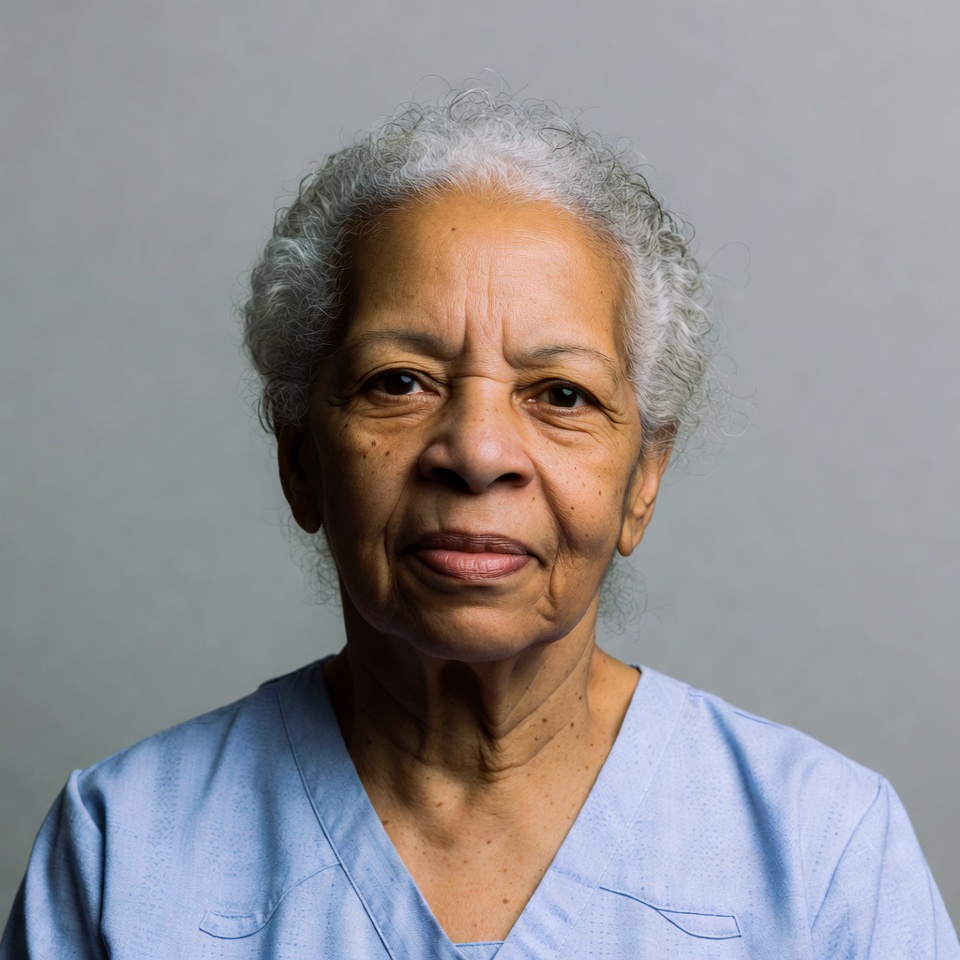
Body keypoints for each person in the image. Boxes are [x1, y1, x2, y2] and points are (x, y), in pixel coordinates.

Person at [3, 87, 957, 959]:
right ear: (300, 460)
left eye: (560, 394)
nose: (477, 450)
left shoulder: (825, 850)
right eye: (401, 383)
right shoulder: (121, 852)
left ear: (642, 483)